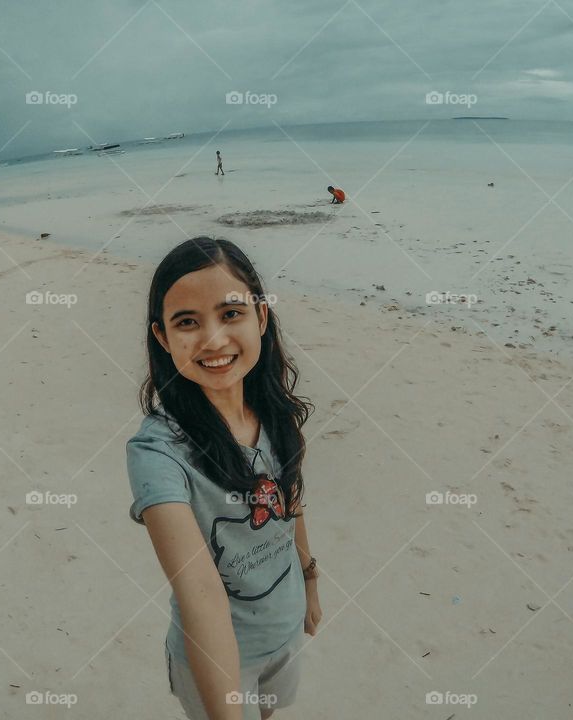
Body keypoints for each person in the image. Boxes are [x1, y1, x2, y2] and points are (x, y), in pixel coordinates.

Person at [127, 237, 322, 720]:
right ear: (163, 337)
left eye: (230, 313)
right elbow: (201, 595)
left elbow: (289, 501)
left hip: (285, 631)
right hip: (218, 665)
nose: (212, 340)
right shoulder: (158, 453)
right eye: (187, 322)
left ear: (260, 317)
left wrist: (310, 578)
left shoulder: (275, 412)